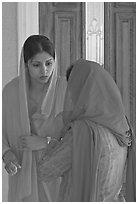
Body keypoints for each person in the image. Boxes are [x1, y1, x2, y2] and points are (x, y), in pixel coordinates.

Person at [38, 59, 136, 202]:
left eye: (73, 89)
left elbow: (45, 171)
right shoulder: (122, 126)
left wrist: (50, 142)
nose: (71, 96)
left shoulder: (83, 132)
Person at [2, 35, 67, 201]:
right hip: (22, 173)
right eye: (36, 65)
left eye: (49, 63)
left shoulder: (66, 90)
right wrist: (7, 154)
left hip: (58, 175)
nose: (44, 70)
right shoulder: (10, 92)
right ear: (26, 65)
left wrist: (45, 142)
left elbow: (79, 135)